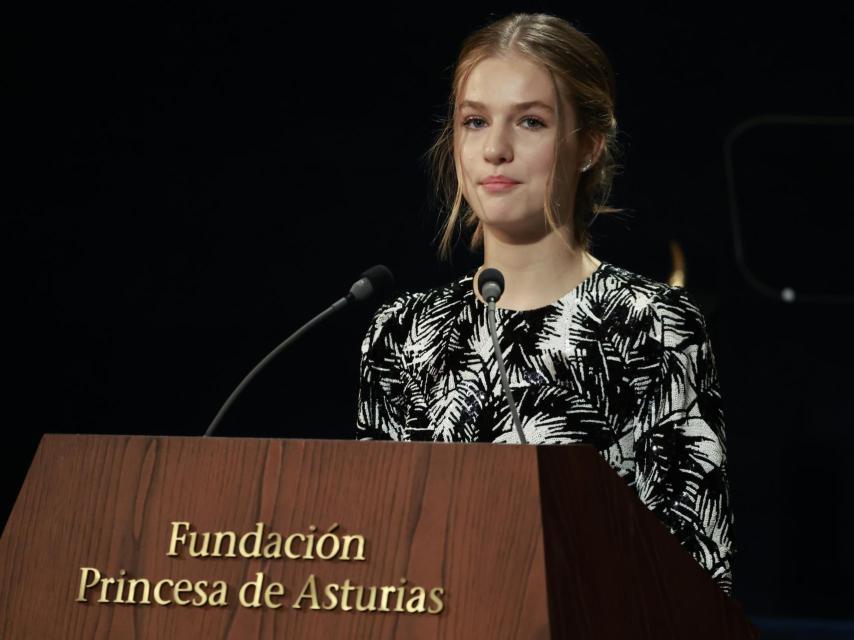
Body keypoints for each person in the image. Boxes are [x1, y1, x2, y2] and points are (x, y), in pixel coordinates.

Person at [355, 12, 735, 596]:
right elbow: (374, 567)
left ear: (587, 145)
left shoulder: (654, 324)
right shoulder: (403, 330)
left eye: (530, 122)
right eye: (475, 121)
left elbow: (696, 576)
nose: (496, 150)